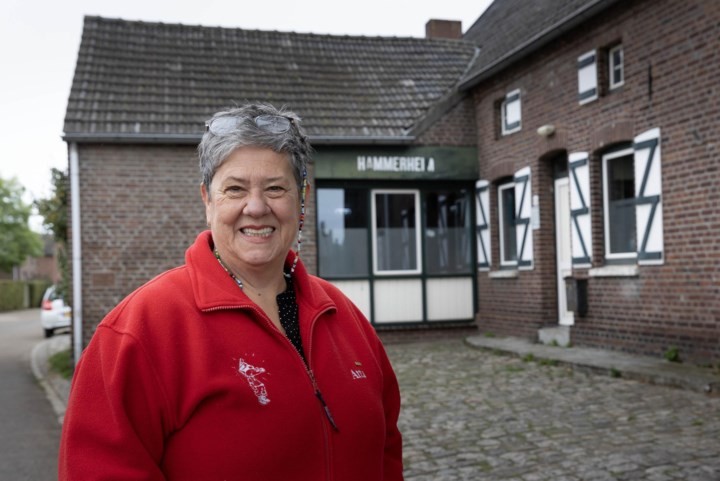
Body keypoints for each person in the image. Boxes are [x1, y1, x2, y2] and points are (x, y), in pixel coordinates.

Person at [58, 102, 404, 480]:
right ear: (207, 200)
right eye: (235, 189)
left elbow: (386, 450)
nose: (256, 207)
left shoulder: (345, 317)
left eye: (275, 188)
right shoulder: (138, 331)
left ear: (301, 199)